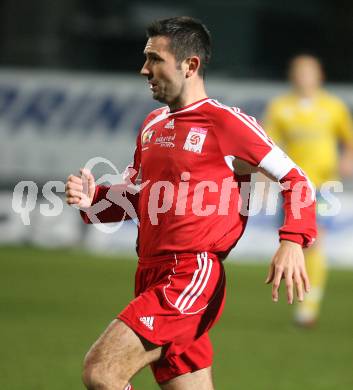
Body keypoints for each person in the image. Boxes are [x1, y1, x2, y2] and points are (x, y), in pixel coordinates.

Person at [65, 17, 317, 390]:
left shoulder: (226, 123)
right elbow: (140, 199)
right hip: (150, 272)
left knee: (101, 372)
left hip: (190, 275)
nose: (144, 69)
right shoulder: (153, 124)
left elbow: (297, 179)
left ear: (190, 65)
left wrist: (292, 240)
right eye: (145, 58)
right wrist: (95, 202)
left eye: (154, 59)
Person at [264, 54, 353, 327]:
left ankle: (309, 307)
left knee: (317, 238)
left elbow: (348, 139)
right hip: (292, 187)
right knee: (297, 244)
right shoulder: (280, 108)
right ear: (292, 76)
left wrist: (347, 158)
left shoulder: (333, 107)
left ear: (319, 76)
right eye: (299, 72)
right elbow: (267, 145)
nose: (304, 76)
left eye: (309, 71)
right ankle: (303, 297)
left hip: (325, 185)